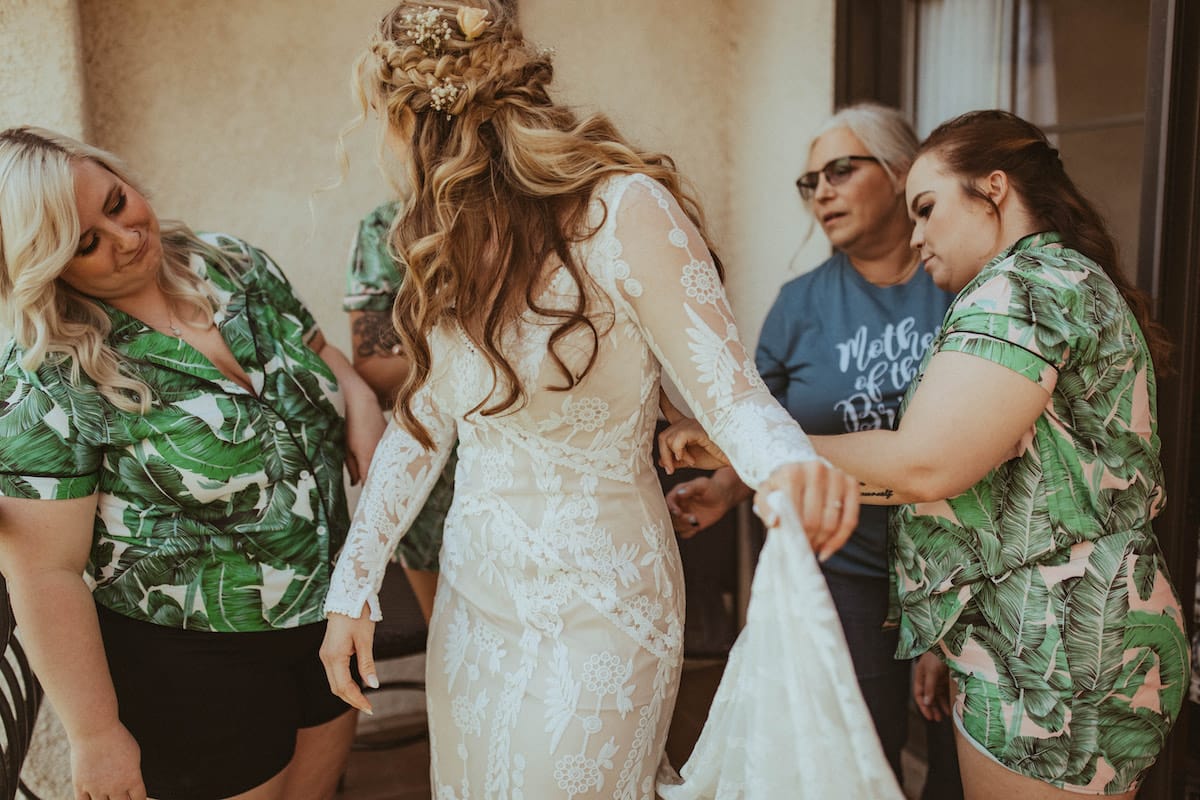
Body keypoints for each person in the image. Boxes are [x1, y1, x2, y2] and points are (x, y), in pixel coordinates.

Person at [318, 2, 861, 796]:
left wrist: (785, 470)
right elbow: (422, 421)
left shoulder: (624, 209)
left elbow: (733, 396)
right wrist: (355, 582)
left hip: (603, 598)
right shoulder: (442, 238)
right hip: (475, 590)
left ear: (416, 123)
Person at [661, 110, 1189, 800]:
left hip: (1055, 644)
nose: (918, 235)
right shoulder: (1058, 277)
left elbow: (924, 465)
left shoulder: (1019, 289)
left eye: (928, 208)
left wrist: (747, 439)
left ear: (993, 189)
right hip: (1068, 628)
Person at [0, 127, 386, 800]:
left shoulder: (232, 262)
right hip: (197, 661)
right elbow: (43, 569)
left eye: (117, 203)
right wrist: (95, 735)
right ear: (47, 264)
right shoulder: (47, 378)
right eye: (87, 243)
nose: (126, 238)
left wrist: (359, 402)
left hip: (330, 613)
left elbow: (323, 362)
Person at [663, 102, 962, 796]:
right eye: (809, 182)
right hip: (843, 568)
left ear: (898, 173)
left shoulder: (955, 284)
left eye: (839, 170)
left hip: (958, 574)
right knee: (856, 757)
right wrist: (728, 486)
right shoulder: (800, 304)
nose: (821, 191)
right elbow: (759, 425)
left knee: (958, 770)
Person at [344, 199, 455, 621]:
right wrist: (468, 346)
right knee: (456, 651)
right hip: (439, 490)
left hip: (551, 476)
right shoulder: (387, 225)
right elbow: (377, 371)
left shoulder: (557, 202)